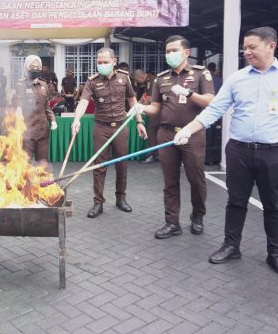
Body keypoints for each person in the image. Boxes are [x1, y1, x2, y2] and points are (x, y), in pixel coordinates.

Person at [174, 26, 278, 278]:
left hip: (274, 152)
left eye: (252, 47)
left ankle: (276, 254)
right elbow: (214, 109)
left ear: (271, 46)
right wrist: (189, 129)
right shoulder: (237, 78)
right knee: (236, 201)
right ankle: (231, 246)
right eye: (245, 47)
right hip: (239, 151)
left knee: (274, 205)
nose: (247, 52)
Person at [141, 35, 215, 239]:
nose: (170, 54)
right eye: (167, 51)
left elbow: (211, 102)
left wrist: (190, 94)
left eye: (174, 50)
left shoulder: (201, 74)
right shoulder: (161, 78)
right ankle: (172, 222)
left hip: (192, 134)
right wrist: (140, 108)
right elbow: (155, 108)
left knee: (196, 179)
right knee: (170, 181)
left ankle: (198, 216)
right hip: (166, 134)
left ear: (186, 52)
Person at [72, 47, 143, 218]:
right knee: (99, 166)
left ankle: (121, 199)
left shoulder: (124, 78)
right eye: (99, 62)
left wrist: (139, 121)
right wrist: (77, 119)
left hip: (120, 127)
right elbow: (82, 102)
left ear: (114, 61)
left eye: (105, 62)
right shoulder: (92, 81)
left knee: (122, 165)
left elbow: (132, 100)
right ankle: (98, 203)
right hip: (101, 128)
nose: (102, 65)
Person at [13, 55, 58, 161]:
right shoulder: (21, 84)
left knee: (42, 164)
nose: (35, 69)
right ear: (26, 67)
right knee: (25, 164)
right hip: (27, 131)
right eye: (32, 66)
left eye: (38, 67)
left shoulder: (43, 84)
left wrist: (53, 120)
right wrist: (18, 108)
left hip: (42, 131)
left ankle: (42, 178)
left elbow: (46, 106)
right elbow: (18, 98)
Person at [133, 69, 159, 164]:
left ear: (141, 77)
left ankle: (152, 156)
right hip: (157, 111)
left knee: (152, 133)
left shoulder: (151, 81)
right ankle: (157, 155)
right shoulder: (149, 80)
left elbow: (149, 98)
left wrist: (141, 108)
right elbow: (144, 96)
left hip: (157, 111)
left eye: (137, 80)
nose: (137, 83)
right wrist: (136, 106)